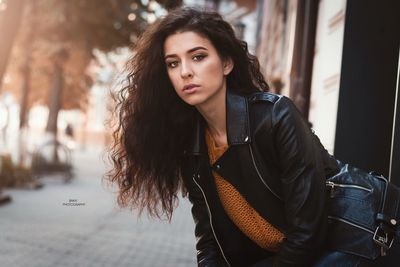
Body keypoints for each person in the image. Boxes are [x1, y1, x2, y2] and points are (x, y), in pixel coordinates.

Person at [106, 7, 398, 267]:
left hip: (351, 241)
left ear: (226, 64)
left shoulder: (274, 117)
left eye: (198, 57)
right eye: (173, 63)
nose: (185, 72)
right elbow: (210, 241)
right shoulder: (192, 148)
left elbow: (307, 231)